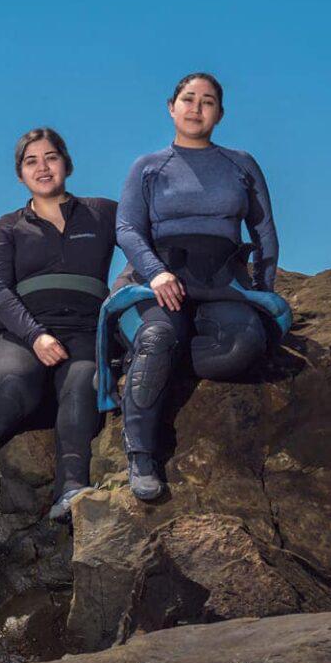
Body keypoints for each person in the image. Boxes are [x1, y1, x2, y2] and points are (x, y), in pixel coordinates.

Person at [112, 72, 282, 500]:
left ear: (220, 114)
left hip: (222, 281)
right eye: (188, 99)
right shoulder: (148, 167)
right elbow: (128, 228)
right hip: (162, 280)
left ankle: (165, 362)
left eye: (207, 101)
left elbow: (264, 234)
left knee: (243, 346)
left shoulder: (241, 163)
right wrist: (156, 273)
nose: (196, 108)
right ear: (171, 107)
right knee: (157, 337)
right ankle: (141, 456)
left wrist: (263, 292)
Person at [0, 128, 116, 524]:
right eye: (31, 161)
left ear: (66, 163)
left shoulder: (103, 212)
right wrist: (36, 336)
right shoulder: (8, 226)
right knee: (20, 386)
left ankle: (70, 489)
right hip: (20, 333)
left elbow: (140, 242)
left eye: (51, 157)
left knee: (82, 379)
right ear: (20, 175)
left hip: (85, 331)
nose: (43, 167)